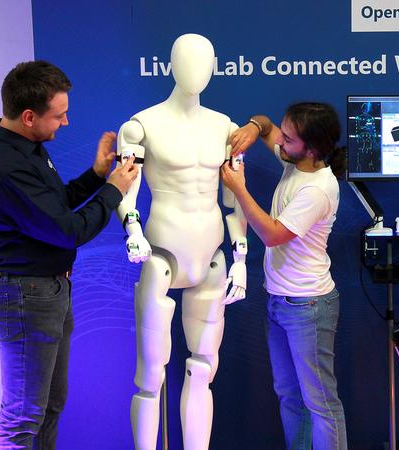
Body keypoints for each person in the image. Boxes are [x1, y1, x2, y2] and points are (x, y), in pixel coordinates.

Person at [0, 60, 138, 449]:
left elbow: (55, 207)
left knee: (48, 406)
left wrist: (97, 175)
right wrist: (113, 189)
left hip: (44, 293)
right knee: (23, 415)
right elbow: (69, 231)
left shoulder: (28, 148)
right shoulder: (9, 166)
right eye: (59, 116)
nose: (65, 123)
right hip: (23, 297)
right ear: (29, 116)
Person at [115, 33, 248, 450]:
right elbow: (125, 189)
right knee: (150, 376)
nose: (195, 70)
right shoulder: (141, 126)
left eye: (203, 61)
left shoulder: (226, 129)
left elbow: (234, 199)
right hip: (160, 254)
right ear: (170, 65)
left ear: (214, 66)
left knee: (203, 368)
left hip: (211, 254)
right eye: (186, 61)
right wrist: (132, 230)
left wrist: (241, 255)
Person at [222, 102, 348, 450]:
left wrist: (239, 188)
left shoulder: (317, 190)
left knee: (321, 403)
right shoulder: (297, 161)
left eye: (289, 139)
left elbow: (273, 234)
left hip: (307, 306)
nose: (281, 142)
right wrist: (253, 125)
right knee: (289, 395)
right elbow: (264, 124)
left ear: (313, 148)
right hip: (280, 301)